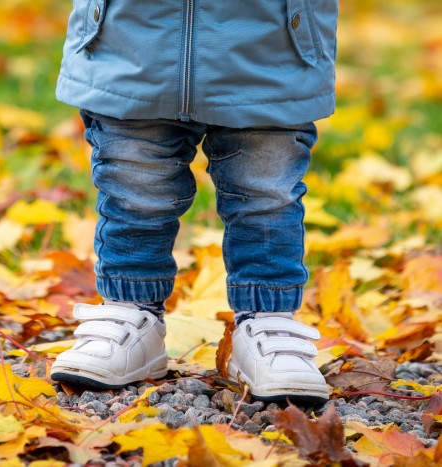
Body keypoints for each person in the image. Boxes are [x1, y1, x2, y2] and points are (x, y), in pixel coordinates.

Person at [50, 0, 337, 403]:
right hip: (131, 44)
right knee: (133, 187)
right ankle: (131, 310)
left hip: (269, 49)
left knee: (266, 196)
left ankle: (268, 320)